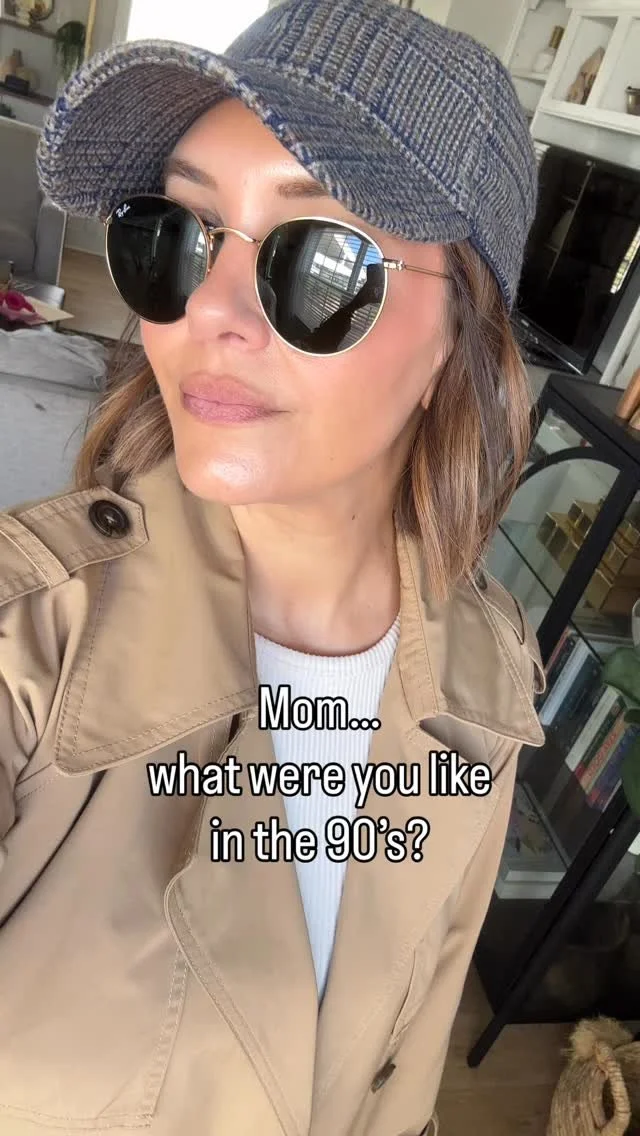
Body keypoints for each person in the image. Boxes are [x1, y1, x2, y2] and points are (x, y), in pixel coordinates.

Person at [0, 0, 546, 1133]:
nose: (210, 308)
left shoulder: (487, 682)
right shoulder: (27, 647)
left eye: (321, 257)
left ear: (460, 337)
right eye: (180, 231)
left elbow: (404, 1071)